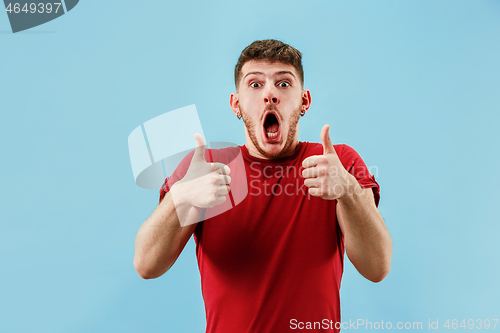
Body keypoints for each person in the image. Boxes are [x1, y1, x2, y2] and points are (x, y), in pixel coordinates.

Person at [133, 39, 393, 333]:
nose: (269, 94)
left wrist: (347, 190)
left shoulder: (336, 162)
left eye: (283, 84)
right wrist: (179, 197)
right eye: (255, 85)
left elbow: (377, 267)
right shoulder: (203, 169)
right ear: (237, 104)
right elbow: (146, 265)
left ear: (304, 101)